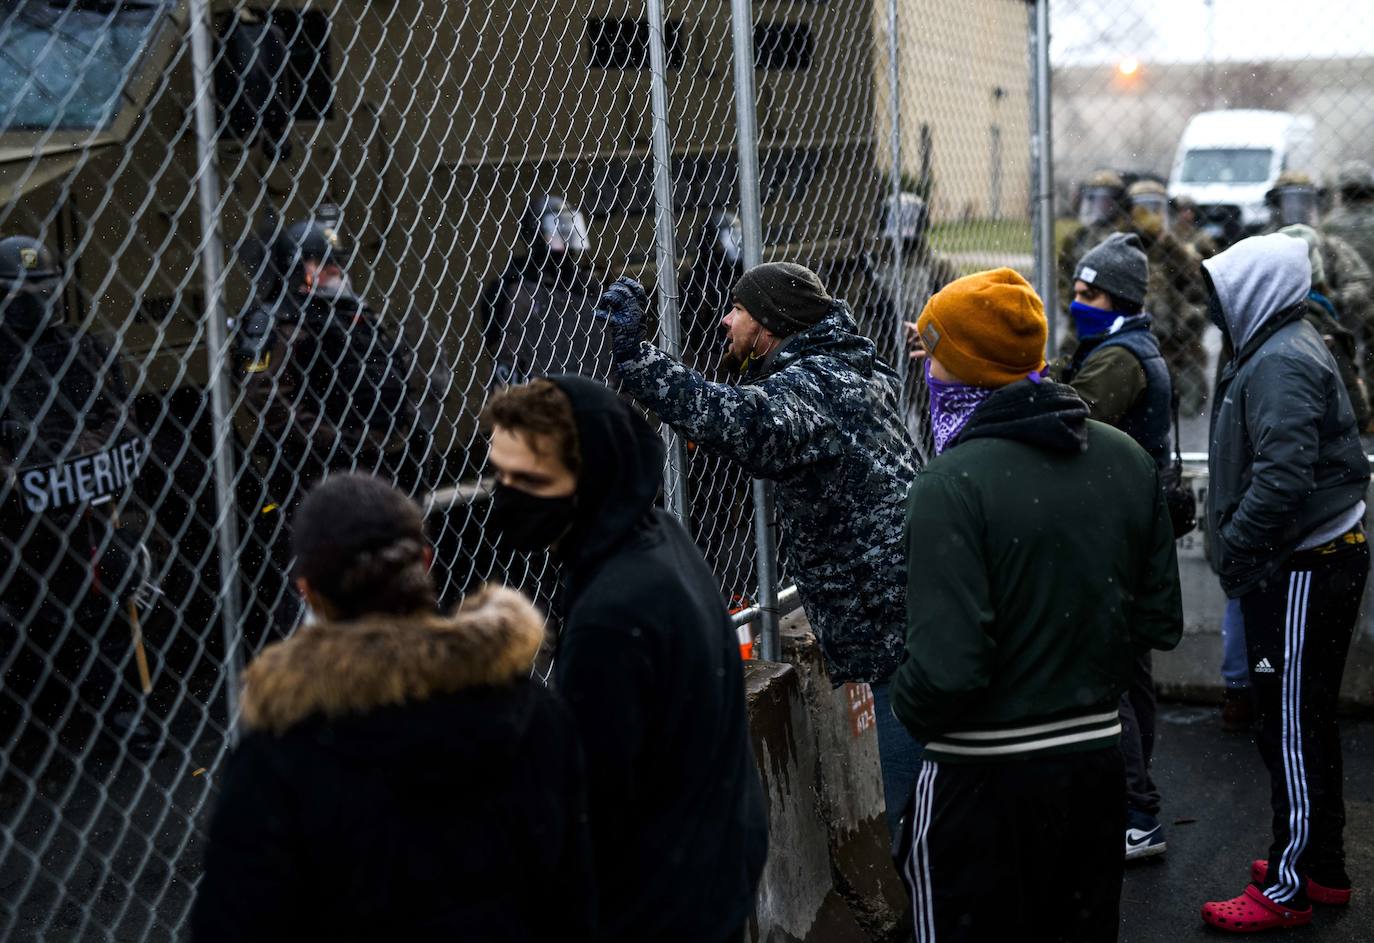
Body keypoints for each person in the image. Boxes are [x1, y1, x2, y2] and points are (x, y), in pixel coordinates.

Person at [892, 268, 1183, 942]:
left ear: (961, 368)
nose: (925, 367)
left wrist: (911, 703)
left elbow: (946, 672)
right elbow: (1158, 621)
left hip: (979, 776)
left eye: (933, 353)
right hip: (1094, 765)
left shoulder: (950, 484)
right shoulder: (1123, 458)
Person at [191, 474, 594, 942]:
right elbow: (575, 897)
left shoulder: (278, 761)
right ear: (426, 561)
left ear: (308, 593)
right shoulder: (534, 712)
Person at [595, 264, 920, 838]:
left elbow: (740, 420)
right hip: (905, 600)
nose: (725, 320)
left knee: (916, 807)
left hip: (886, 613)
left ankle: (935, 894)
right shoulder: (848, 364)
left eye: (737, 310)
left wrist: (636, 358)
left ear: (769, 322)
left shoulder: (818, 385)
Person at [481, 376, 767, 943]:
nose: (506, 495)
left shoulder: (614, 616)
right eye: (499, 474)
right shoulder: (656, 536)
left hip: (655, 906)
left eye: (531, 481)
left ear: (589, 483)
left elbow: (593, 804)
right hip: (708, 870)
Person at [1199, 234, 1369, 933]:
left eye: (1221, 292)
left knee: (1293, 725)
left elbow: (1283, 476)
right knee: (1295, 712)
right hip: (1294, 572)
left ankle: (1292, 883)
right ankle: (1318, 862)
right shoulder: (1278, 344)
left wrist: (1233, 548)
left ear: (1253, 292)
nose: (1213, 307)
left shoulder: (1281, 361)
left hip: (1304, 572)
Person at [232, 218, 437, 639]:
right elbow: (267, 397)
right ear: (294, 268)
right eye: (318, 263)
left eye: (335, 263)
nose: (331, 272)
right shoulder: (282, 322)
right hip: (317, 472)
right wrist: (332, 440)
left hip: (377, 459)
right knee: (323, 570)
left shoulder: (354, 313)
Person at [0, 235, 154, 764]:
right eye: (20, 291)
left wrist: (67, 459)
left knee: (103, 604)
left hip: (79, 510)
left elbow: (120, 422)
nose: (33, 300)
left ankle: (120, 712)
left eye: (42, 288)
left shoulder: (87, 350)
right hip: (13, 520)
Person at [1053, 232, 1174, 862]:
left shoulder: (1120, 359)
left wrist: (999, 374)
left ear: (1119, 296)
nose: (1078, 302)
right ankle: (1137, 802)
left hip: (1117, 535)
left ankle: (1136, 813)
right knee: (1132, 676)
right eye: (1075, 290)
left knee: (1114, 683)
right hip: (1133, 529)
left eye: (1089, 292)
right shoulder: (1118, 346)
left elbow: (1069, 414)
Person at [482, 194, 605, 385]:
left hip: (585, 380)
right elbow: (502, 350)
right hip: (535, 387)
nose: (565, 240)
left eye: (568, 230)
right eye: (556, 231)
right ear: (536, 234)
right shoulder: (515, 287)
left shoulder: (585, 285)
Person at [874, 191, 959, 459]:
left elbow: (951, 310)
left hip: (923, 349)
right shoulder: (876, 263)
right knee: (885, 415)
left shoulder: (936, 264)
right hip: (886, 349)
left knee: (929, 415)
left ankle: (939, 463)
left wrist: (931, 337)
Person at [1123, 179, 1211, 416]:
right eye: (1143, 208)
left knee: (1189, 407)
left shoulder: (1177, 243)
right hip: (1133, 336)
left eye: (1156, 208)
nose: (1150, 215)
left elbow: (1195, 277)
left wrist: (1166, 240)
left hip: (1177, 337)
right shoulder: (1121, 242)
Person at [1323, 160, 1374, 392]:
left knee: (1343, 352)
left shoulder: (1330, 224)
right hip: (1369, 301)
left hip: (1346, 301)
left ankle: (1350, 400)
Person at [1057, 168, 1127, 310]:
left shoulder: (1126, 236)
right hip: (1083, 312)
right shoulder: (1078, 237)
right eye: (1093, 200)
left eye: (1104, 201)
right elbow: (1063, 277)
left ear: (1117, 203)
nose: (1099, 206)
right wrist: (1071, 308)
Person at [1169, 193, 1219, 259]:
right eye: (1182, 210)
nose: (1186, 214)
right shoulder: (1169, 233)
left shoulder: (1201, 236)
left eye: (1189, 210)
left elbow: (1213, 256)